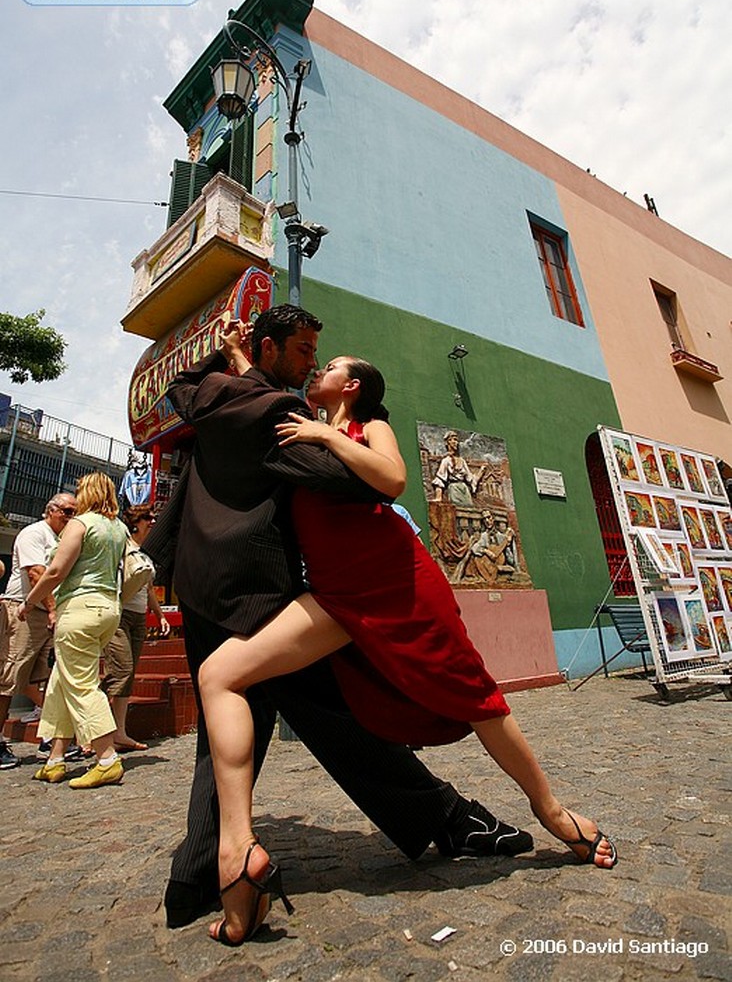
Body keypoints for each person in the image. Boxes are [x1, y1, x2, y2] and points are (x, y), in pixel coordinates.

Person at [198, 347, 618, 944]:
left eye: (332, 367)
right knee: (221, 675)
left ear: (354, 386)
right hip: (336, 595)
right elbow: (259, 394)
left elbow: (392, 479)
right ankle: (236, 852)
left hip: (400, 584)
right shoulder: (295, 420)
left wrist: (328, 435)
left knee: (478, 700)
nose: (319, 371)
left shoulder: (368, 426)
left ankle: (550, 810)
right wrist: (245, 354)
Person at [146, 304, 532, 931]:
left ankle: (198, 877)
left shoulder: (207, 393)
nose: (308, 366)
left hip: (200, 587)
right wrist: (339, 437)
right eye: (301, 352)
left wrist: (240, 359)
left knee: (231, 730)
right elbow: (364, 484)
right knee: (337, 718)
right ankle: (445, 820)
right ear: (270, 350)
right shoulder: (277, 414)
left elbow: (209, 397)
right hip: (258, 595)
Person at [19, 473, 128, 789]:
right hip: (108, 609)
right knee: (60, 681)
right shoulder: (118, 528)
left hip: (79, 607)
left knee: (80, 684)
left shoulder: (81, 524)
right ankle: (55, 758)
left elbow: (55, 570)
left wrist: (30, 601)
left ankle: (106, 758)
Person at [0, 493, 77, 770]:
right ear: (51, 511)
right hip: (26, 610)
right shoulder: (34, 533)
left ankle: (51, 736)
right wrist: (53, 608)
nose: (70, 517)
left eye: (74, 513)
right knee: (9, 676)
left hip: (50, 612)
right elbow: (36, 574)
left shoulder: (65, 538)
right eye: (67, 512)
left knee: (46, 678)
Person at [102, 503, 170, 752]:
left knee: (127, 677)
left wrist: (160, 614)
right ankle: (95, 732)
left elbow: (148, 587)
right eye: (147, 518)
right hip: (119, 614)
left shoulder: (146, 551)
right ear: (135, 522)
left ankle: (119, 731)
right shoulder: (122, 545)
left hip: (138, 616)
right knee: (120, 671)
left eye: (152, 517)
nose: (152, 521)